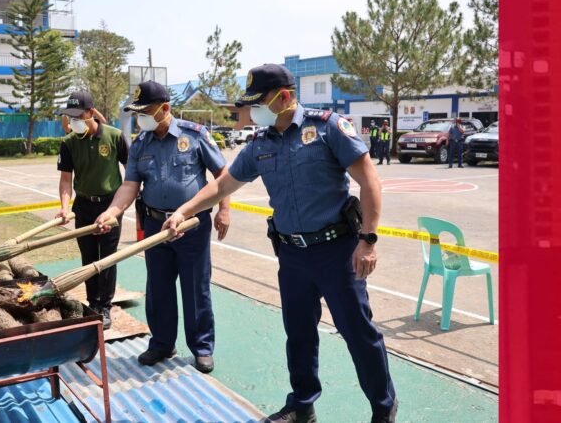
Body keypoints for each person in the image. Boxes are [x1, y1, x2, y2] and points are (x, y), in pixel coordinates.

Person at [162, 64, 397, 423]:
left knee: (357, 331)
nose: (253, 112)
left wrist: (368, 240)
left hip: (338, 251)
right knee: (299, 333)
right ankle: (302, 405)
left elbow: (369, 181)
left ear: (285, 97)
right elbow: (223, 185)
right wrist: (183, 210)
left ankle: (383, 407)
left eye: (260, 103)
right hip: (292, 255)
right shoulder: (260, 144)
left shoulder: (328, 128)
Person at [94, 80, 231, 374]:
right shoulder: (141, 143)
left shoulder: (195, 135)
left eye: (145, 111)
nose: (140, 117)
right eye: (138, 112)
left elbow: (222, 174)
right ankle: (161, 344)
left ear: (165, 108)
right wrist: (111, 212)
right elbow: (130, 185)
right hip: (156, 225)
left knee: (196, 288)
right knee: (158, 287)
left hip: (193, 225)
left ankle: (202, 347)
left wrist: (224, 209)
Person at [56, 91, 128, 329]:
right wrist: (65, 208)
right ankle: (92, 302)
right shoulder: (68, 143)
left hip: (110, 204)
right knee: (88, 257)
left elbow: (132, 174)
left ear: (90, 113)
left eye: (78, 116)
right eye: (70, 116)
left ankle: (105, 306)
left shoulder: (115, 137)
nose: (73, 121)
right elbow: (66, 180)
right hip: (83, 206)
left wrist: (120, 206)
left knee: (107, 258)